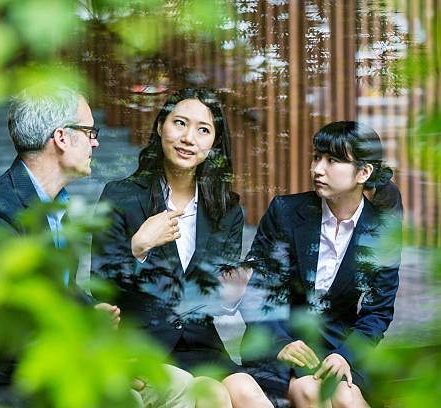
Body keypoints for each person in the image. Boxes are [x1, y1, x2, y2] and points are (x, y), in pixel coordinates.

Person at [0, 84, 118, 407]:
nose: (96, 141)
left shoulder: (57, 208)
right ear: (61, 138)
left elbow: (60, 292)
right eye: (89, 131)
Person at [91, 88, 272, 408]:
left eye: (203, 130)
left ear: (214, 143)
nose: (189, 138)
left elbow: (215, 301)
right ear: (160, 126)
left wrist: (231, 294)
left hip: (202, 346)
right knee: (212, 395)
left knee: (248, 391)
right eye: (180, 123)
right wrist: (138, 247)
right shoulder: (121, 196)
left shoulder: (227, 209)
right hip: (143, 345)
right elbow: (100, 284)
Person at [242, 121, 402, 407]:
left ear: (363, 172)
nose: (317, 169)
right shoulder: (286, 212)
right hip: (279, 342)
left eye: (333, 161)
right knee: (308, 391)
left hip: (339, 349)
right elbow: (257, 290)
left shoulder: (382, 232)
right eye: (317, 157)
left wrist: (345, 356)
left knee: (347, 399)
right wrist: (281, 343)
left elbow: (377, 313)